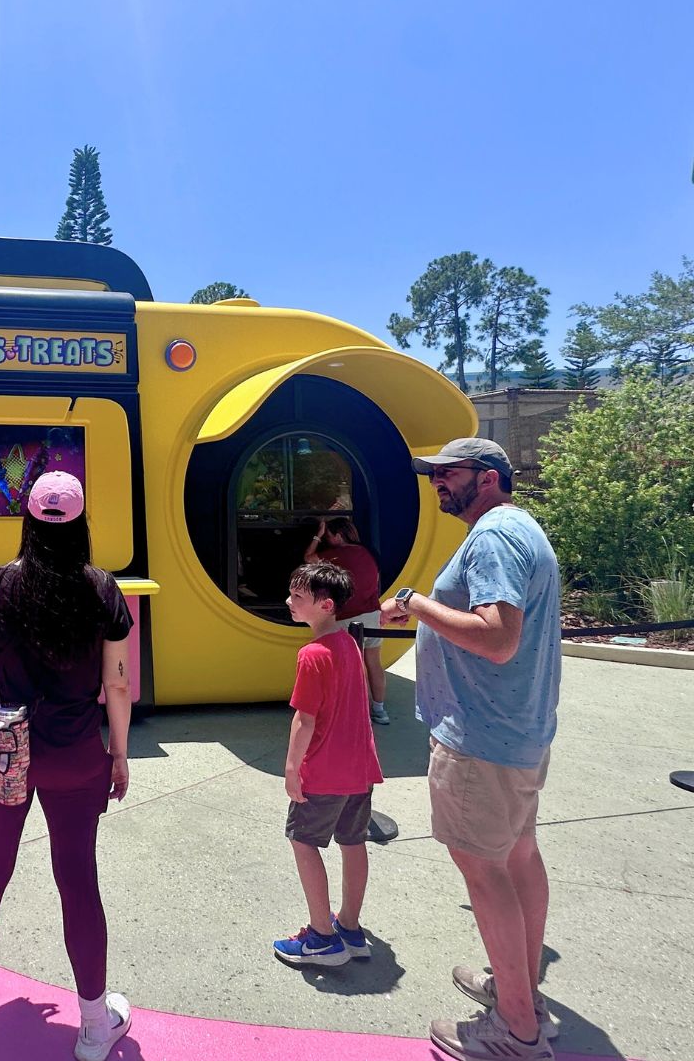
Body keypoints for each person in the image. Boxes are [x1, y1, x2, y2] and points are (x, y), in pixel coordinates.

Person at [0, 472, 135, 1061]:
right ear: (81, 522)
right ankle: (93, 1027)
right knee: (78, 880)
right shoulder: (102, 590)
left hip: (5, 755)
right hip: (78, 755)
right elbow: (117, 684)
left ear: (29, 521)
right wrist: (119, 753)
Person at [380, 438, 560, 1061]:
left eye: (445, 474)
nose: (435, 484)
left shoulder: (492, 537)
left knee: (484, 873)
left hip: (480, 739)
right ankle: (520, 991)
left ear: (486, 479)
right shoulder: (519, 528)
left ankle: (516, 1032)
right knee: (518, 859)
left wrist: (414, 602)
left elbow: (498, 638)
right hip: (517, 732)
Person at [273, 562, 384, 968]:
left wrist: (291, 768)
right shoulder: (350, 645)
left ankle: (321, 936)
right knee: (352, 842)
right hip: (359, 769)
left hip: (323, 771)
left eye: (298, 598)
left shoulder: (312, 654)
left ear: (325, 604)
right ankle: (350, 927)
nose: (289, 602)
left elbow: (305, 719)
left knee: (304, 842)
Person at [306, 516, 389, 724]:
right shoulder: (368, 552)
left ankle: (359, 712)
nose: (327, 540)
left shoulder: (335, 556)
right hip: (373, 615)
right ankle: (379, 710)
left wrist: (317, 534)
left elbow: (308, 558)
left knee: (354, 667)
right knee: (374, 664)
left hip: (350, 619)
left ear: (339, 535)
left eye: (329, 535)